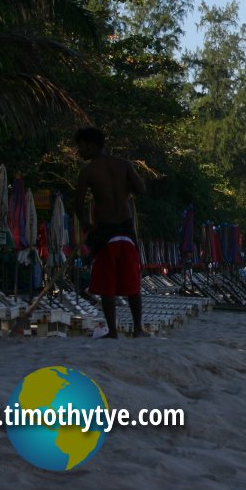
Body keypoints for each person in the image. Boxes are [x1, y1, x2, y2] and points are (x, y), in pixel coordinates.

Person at [74, 127, 146, 339]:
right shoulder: (124, 165)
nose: (79, 152)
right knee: (132, 282)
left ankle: (113, 331)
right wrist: (124, 191)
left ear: (92, 146)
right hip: (125, 227)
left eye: (81, 147)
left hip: (105, 230)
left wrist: (88, 225)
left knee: (107, 284)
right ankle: (138, 329)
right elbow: (141, 189)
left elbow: (78, 206)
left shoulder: (88, 171)